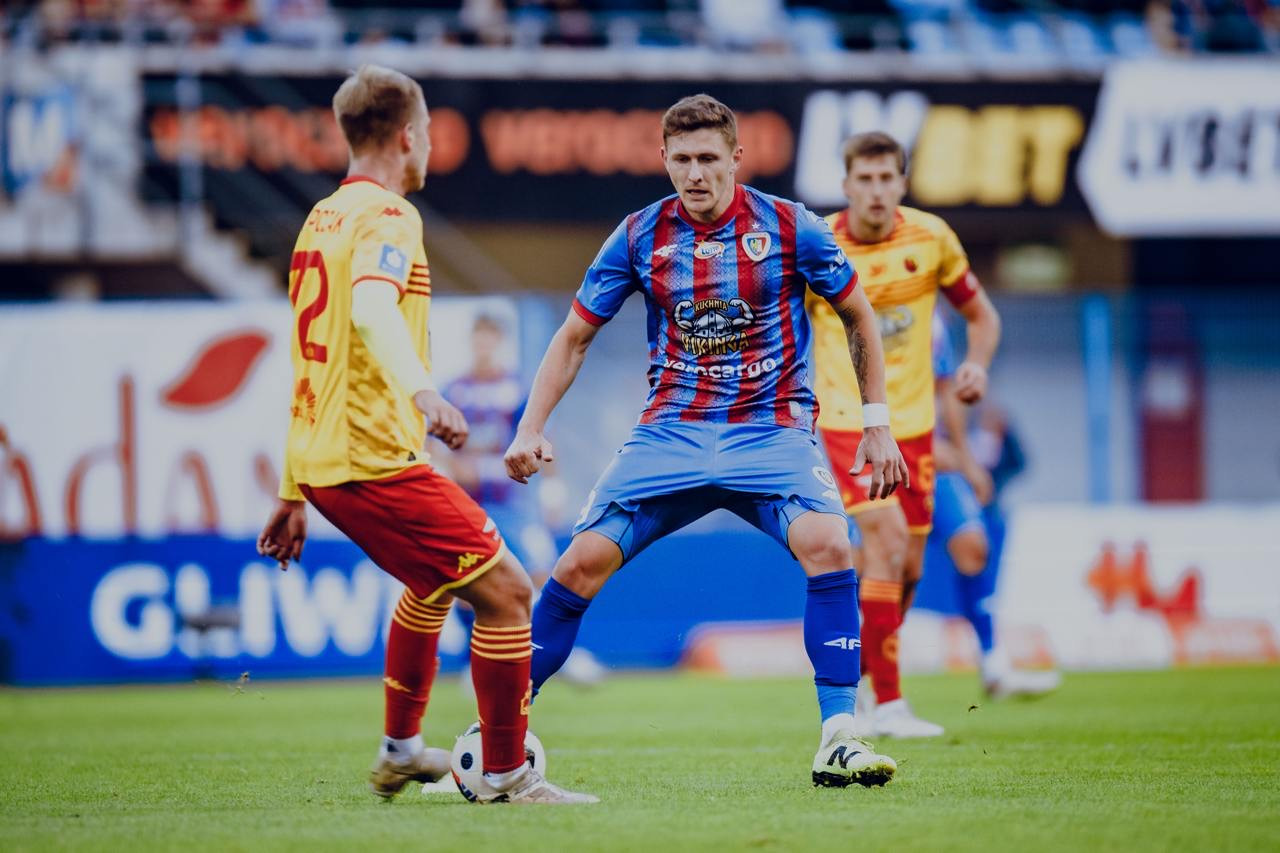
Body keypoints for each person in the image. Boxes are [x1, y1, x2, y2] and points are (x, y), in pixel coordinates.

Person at [503, 94, 909, 789]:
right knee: (577, 566)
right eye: (682, 159)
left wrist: (877, 422)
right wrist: (530, 426)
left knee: (831, 544)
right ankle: (495, 739)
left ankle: (840, 735)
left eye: (709, 159)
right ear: (664, 159)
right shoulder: (638, 235)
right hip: (671, 433)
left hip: (770, 429)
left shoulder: (791, 226)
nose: (695, 174)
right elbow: (574, 337)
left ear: (736, 159)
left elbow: (858, 314)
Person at [254, 64, 596, 806]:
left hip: (326, 458)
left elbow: (313, 362)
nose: (432, 145)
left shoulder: (321, 219)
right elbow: (373, 310)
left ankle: (402, 748)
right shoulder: (388, 215)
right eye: (432, 132)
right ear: (409, 136)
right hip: (372, 458)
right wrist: (425, 391)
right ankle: (505, 774)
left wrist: (291, 487)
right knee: (508, 593)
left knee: (431, 584)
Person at [806, 131, 1001, 738]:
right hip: (849, 422)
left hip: (915, 429)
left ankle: (862, 683)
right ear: (846, 186)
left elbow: (981, 315)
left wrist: (976, 365)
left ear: (902, 182)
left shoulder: (932, 237)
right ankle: (889, 706)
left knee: (907, 568)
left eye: (886, 177)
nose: (876, 190)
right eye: (864, 179)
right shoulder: (819, 244)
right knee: (886, 541)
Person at [440, 312, 605, 686]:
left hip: (515, 501)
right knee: (468, 584)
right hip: (471, 504)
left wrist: (552, 490)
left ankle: (556, 652)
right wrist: (451, 469)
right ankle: (474, 662)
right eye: (478, 338)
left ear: (499, 342)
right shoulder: (454, 391)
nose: (483, 346)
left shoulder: (515, 389)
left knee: (543, 572)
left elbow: (541, 435)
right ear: (471, 342)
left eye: (489, 338)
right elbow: (437, 445)